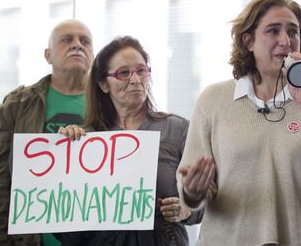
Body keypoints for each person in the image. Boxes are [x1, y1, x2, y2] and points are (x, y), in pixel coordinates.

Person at [177, 0, 301, 246]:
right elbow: (190, 189)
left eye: (293, 32)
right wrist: (192, 191)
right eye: (273, 31)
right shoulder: (212, 100)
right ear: (248, 41)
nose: (286, 41)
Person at [56, 36, 203, 246]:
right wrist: (65, 155)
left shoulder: (178, 129)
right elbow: (66, 228)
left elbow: (210, 203)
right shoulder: (85, 140)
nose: (135, 80)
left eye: (141, 71)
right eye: (123, 73)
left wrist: (186, 210)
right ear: (103, 84)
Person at [0, 19, 94, 246]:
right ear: (48, 55)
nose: (77, 45)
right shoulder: (17, 105)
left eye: (85, 41)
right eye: (67, 40)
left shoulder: (113, 104)